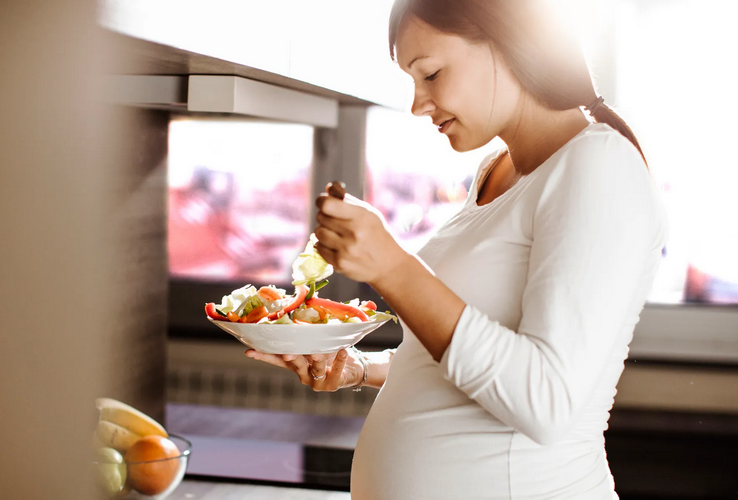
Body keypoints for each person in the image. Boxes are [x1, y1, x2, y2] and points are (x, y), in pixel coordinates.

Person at [246, 0, 668, 498]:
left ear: (508, 43)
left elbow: (545, 400)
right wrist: (362, 367)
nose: (417, 103)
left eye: (430, 73)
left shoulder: (598, 166)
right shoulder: (497, 170)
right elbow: (461, 359)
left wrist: (394, 269)